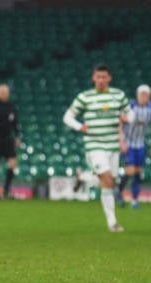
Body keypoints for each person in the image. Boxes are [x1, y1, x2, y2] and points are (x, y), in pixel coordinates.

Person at [63, 64, 130, 232]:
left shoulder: (118, 95)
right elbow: (67, 116)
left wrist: (127, 118)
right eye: (98, 77)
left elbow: (131, 113)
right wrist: (79, 127)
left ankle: (85, 177)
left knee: (110, 182)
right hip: (95, 146)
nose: (101, 80)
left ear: (109, 78)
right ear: (93, 78)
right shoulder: (85, 97)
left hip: (113, 146)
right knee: (107, 179)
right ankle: (112, 222)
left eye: (104, 77)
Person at [117, 84, 151, 208]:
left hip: (140, 145)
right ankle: (118, 191)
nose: (143, 96)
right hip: (129, 144)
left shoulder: (150, 109)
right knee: (130, 170)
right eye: (141, 94)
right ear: (137, 95)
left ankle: (135, 200)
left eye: (146, 94)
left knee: (138, 172)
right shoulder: (130, 106)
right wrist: (121, 140)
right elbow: (119, 122)